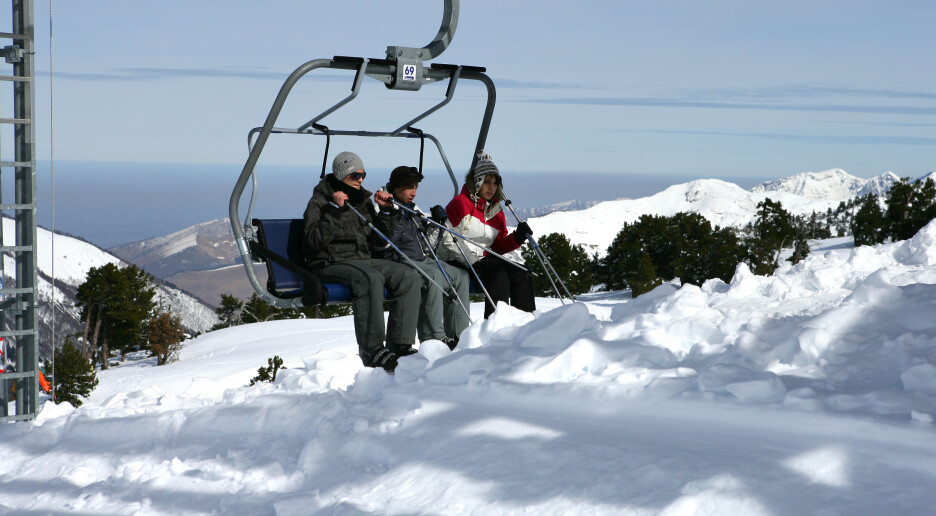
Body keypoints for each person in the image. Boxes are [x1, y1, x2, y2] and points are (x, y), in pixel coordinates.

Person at [303, 151, 421, 373]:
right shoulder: (320, 202)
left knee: (408, 275)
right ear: (341, 176)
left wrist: (386, 213)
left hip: (363, 259)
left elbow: (379, 241)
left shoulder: (363, 202)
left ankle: (400, 344)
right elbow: (312, 243)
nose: (360, 179)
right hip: (331, 262)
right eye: (355, 175)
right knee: (370, 279)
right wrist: (334, 211)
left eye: (362, 174)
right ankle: (372, 348)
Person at [376, 165, 470, 349]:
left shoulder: (412, 209)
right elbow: (384, 243)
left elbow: (427, 246)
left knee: (460, 277)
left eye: (416, 187)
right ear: (396, 187)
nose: (414, 193)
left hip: (419, 259)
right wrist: (396, 214)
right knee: (432, 276)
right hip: (398, 262)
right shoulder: (382, 205)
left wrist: (436, 225)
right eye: (410, 187)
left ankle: (458, 335)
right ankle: (433, 337)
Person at [438, 152, 535, 318]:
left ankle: (523, 325)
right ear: (477, 182)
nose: (492, 187)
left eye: (495, 183)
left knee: (522, 272)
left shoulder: (495, 211)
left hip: (484, 259)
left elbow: (497, 246)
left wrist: (517, 238)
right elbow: (449, 240)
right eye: (487, 182)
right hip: (457, 259)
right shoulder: (461, 203)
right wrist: (472, 261)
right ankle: (495, 327)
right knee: (499, 275)